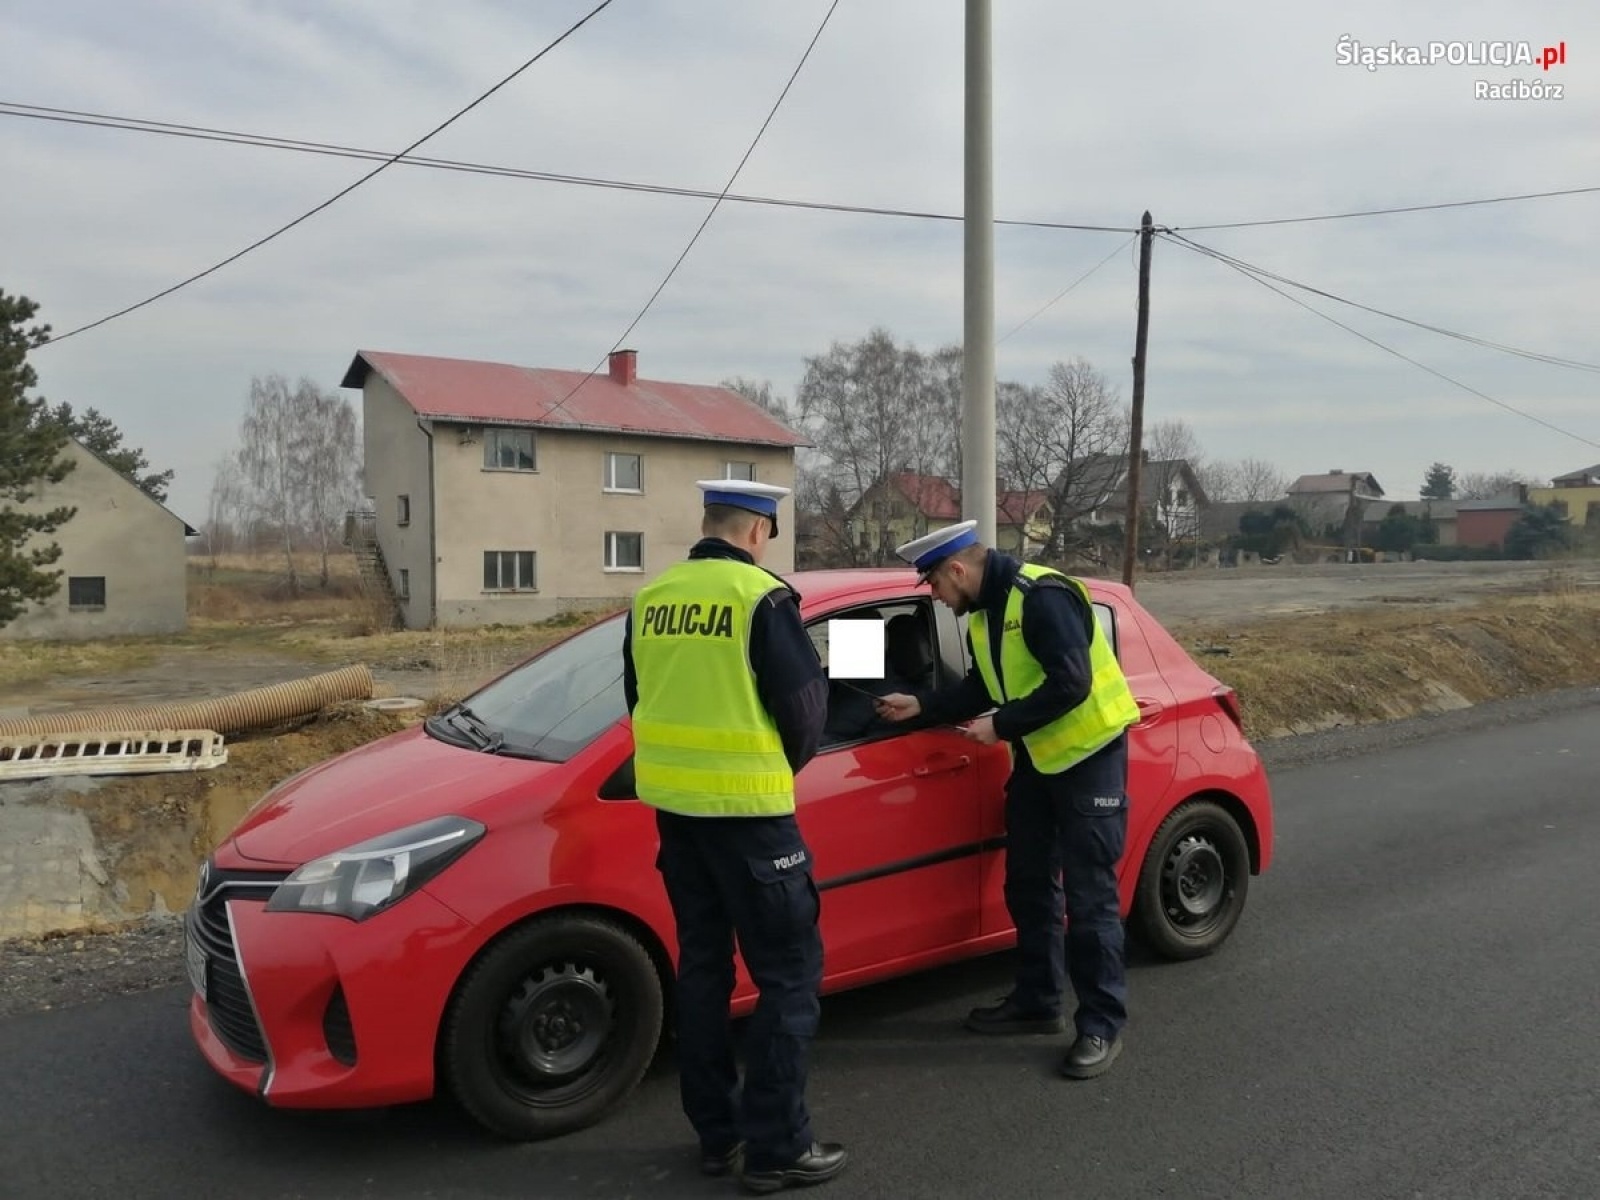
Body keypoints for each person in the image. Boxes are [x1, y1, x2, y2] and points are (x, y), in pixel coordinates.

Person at [622, 478, 848, 1193]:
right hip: (753, 823)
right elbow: (808, 713)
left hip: (678, 822)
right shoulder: (762, 599)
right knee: (789, 977)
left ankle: (718, 1140)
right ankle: (779, 1146)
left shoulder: (651, 599)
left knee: (703, 974)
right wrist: (770, 765)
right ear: (758, 531)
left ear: (709, 524)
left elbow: (638, 698)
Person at [874, 520, 1141, 1079]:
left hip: (1088, 761)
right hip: (1039, 764)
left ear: (958, 570)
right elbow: (983, 687)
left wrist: (1001, 727)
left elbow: (1072, 683)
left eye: (935, 587)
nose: (937, 601)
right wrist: (921, 706)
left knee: (1090, 901)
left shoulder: (1041, 597)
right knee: (1027, 884)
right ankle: (1039, 1001)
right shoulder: (985, 614)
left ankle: (1100, 1025)